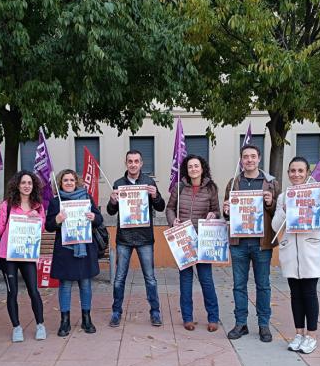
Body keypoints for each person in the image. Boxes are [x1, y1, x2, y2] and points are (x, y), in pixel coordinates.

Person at [272, 156, 320, 354]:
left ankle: (312, 336)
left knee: (309, 293)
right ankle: (299, 333)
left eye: (300, 170)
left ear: (307, 172)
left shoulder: (318, 194)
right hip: (290, 252)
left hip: (311, 252)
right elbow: (275, 227)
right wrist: (283, 211)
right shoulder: (284, 197)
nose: (296, 174)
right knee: (295, 294)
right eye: (292, 171)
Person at [222, 144, 280, 342]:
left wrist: (271, 202)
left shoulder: (271, 183)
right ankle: (241, 324)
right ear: (241, 160)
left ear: (259, 159)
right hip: (238, 242)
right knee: (239, 285)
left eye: (253, 156)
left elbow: (280, 215)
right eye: (245, 157)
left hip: (261, 243)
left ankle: (264, 325)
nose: (249, 160)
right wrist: (226, 210)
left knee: (263, 285)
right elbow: (226, 213)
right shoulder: (233, 183)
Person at [106, 149, 166, 327]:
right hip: (124, 238)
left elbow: (161, 207)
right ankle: (116, 311)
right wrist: (112, 201)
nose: (133, 164)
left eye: (136, 161)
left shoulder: (149, 182)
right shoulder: (118, 183)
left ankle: (155, 312)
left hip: (145, 238)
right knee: (119, 278)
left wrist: (155, 196)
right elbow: (110, 211)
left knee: (150, 278)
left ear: (141, 164)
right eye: (130, 161)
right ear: (126, 163)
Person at [45, 170, 103, 336]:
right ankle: (65, 321)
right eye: (65, 180)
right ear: (60, 183)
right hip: (65, 251)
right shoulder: (56, 202)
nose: (69, 183)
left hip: (85, 250)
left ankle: (86, 318)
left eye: (72, 180)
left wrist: (93, 217)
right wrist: (57, 220)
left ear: (76, 182)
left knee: (85, 284)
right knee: (65, 286)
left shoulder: (87, 198)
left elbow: (99, 220)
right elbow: (49, 225)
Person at [166, 154, 221, 332]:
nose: (193, 169)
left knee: (206, 280)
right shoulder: (179, 187)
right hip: (184, 239)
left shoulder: (211, 188)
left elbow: (216, 211)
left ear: (202, 168)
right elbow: (170, 208)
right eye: (190, 167)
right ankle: (187, 318)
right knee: (186, 281)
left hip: (204, 241)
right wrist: (173, 220)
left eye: (196, 166)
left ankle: (213, 318)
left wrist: (213, 215)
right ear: (186, 170)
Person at [0, 170, 46, 342]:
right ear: (17, 185)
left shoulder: (38, 206)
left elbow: (42, 229)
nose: (26, 186)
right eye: (23, 182)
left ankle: (40, 325)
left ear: (34, 186)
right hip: (8, 255)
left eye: (29, 183)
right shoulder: (7, 205)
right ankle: (16, 327)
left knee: (33, 290)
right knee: (12, 292)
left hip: (27, 254)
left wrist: (36, 218)